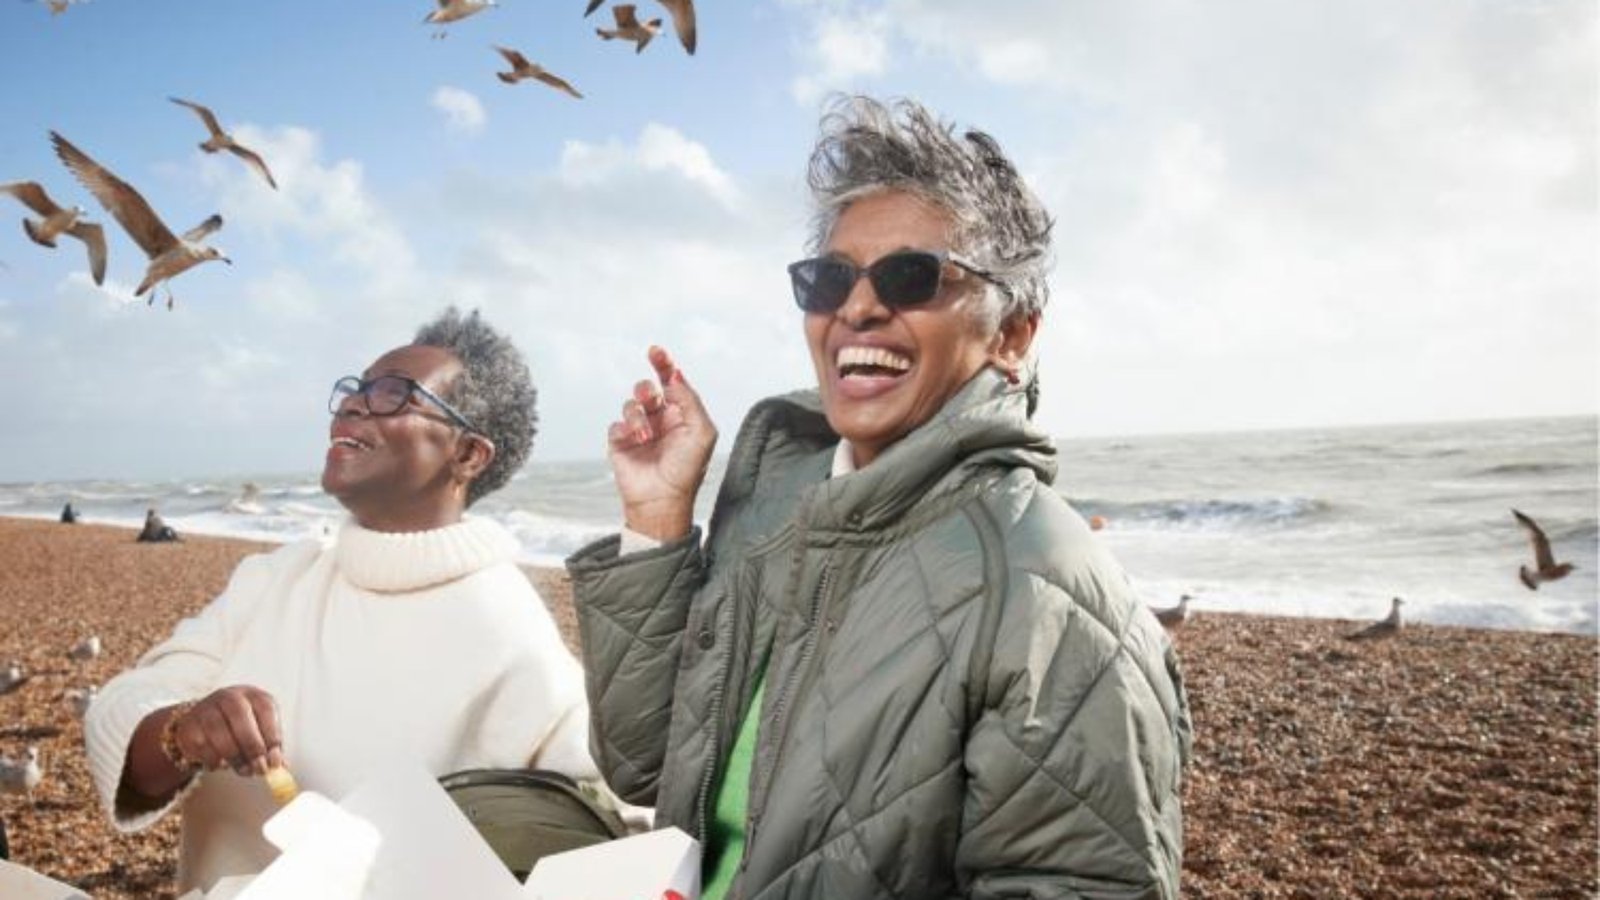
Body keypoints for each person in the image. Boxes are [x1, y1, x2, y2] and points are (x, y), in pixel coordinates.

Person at [566, 96, 1192, 899]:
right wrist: (656, 519)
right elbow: (647, 766)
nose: (858, 308)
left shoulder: (1046, 592)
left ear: (1012, 336)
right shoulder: (773, 510)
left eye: (911, 276)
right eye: (830, 280)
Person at [85, 308, 597, 895]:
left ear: (468, 455)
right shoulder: (278, 578)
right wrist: (184, 731)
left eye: (393, 394)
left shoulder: (515, 635)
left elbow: (600, 848)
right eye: (357, 388)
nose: (353, 404)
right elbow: (121, 711)